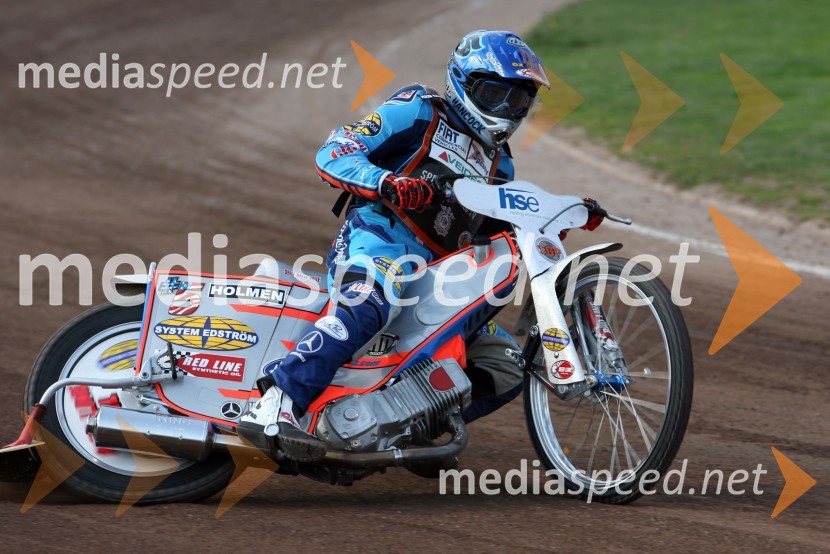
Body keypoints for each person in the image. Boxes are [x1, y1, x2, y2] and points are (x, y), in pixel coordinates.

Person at [239, 30, 597, 459]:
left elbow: (495, 227)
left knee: (505, 364)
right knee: (373, 302)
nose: (505, 110)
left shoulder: (501, 166)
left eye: (517, 101)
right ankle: (276, 401)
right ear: (463, 83)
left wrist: (557, 216)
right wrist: (387, 182)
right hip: (379, 238)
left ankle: (415, 424)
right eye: (494, 94)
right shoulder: (420, 110)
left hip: (441, 275)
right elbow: (337, 149)